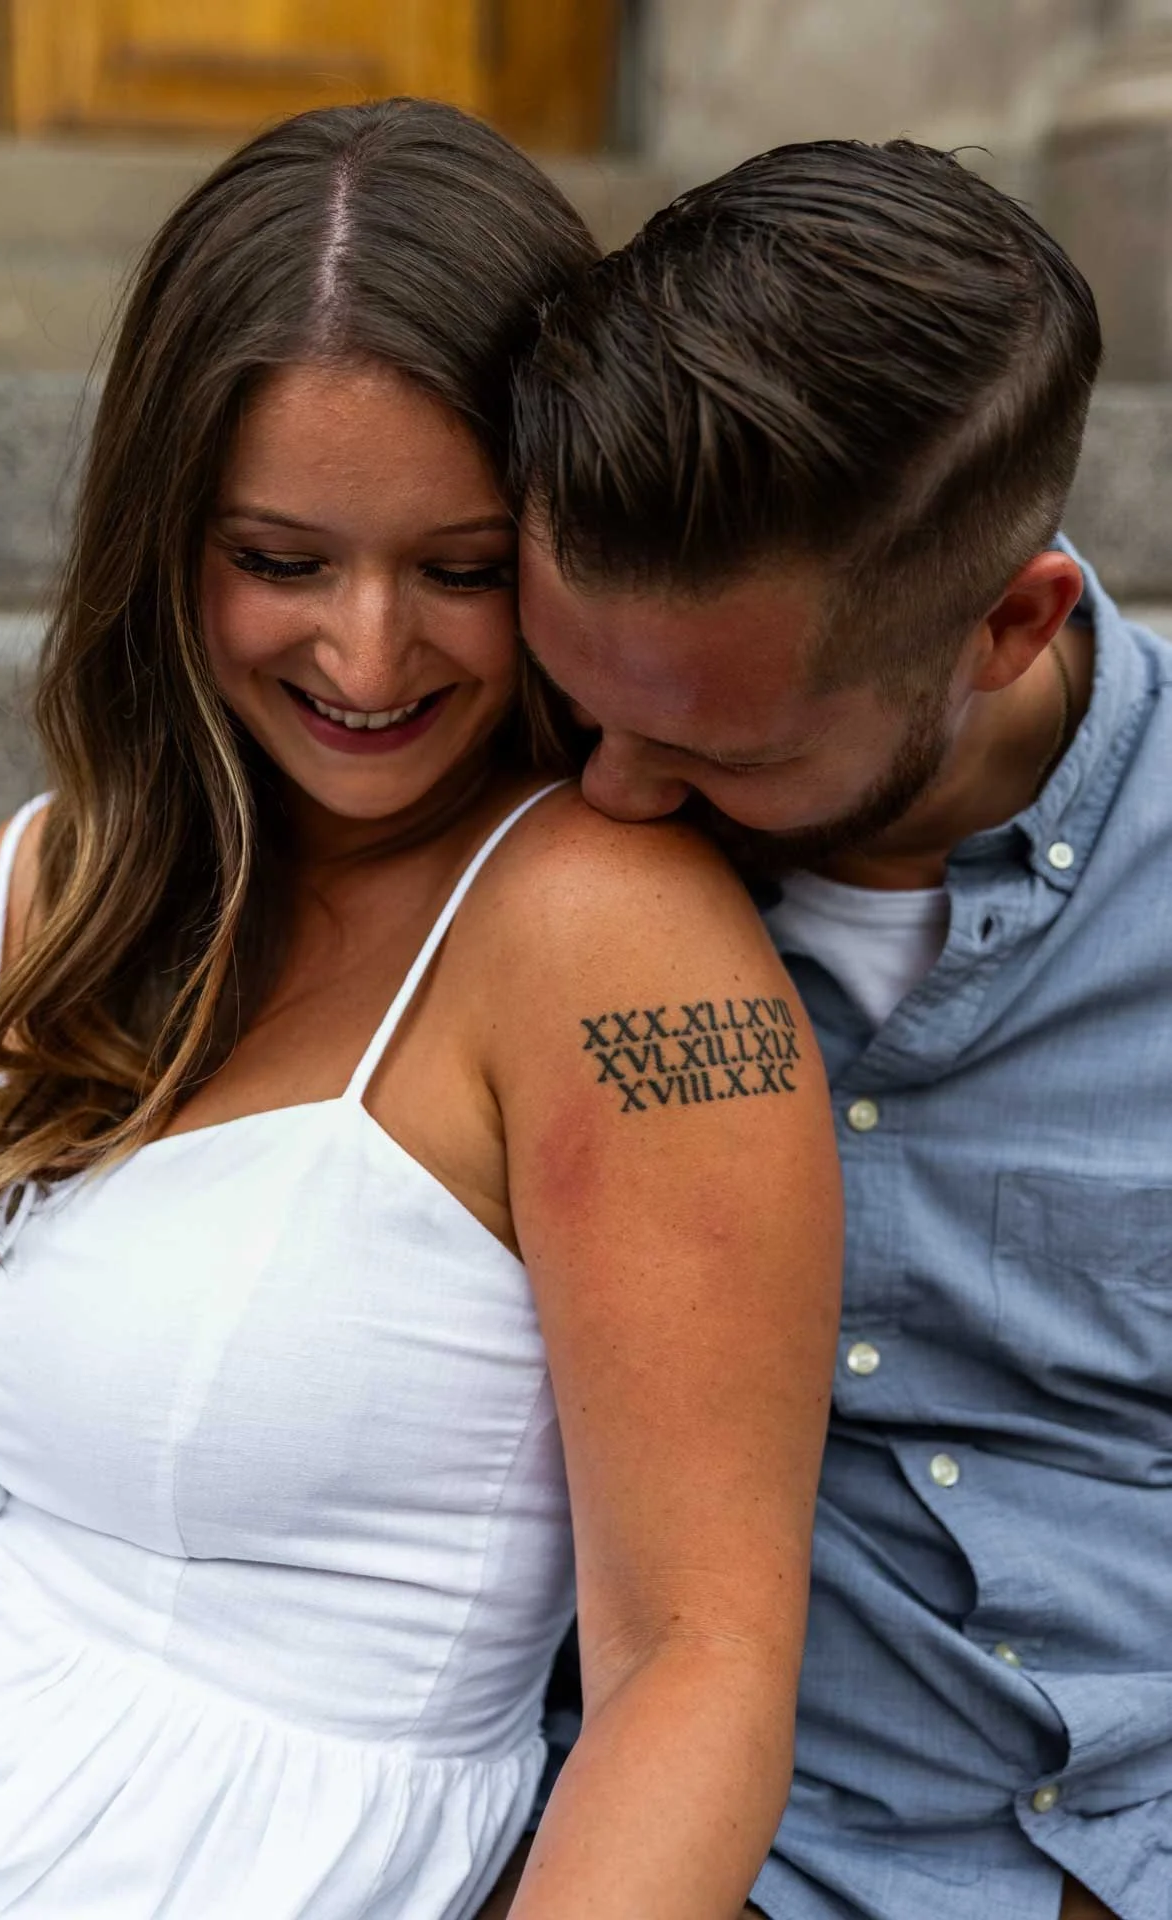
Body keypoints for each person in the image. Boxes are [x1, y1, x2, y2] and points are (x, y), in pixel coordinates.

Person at [0, 102, 842, 1919]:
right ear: (163, 541)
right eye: (282, 559)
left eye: (464, 569)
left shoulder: (601, 937)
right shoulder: (45, 877)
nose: (369, 653)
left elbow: (696, 1667)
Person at [510, 139, 1171, 1920]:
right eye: (579, 704)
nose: (617, 796)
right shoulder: (538, 842)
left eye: (723, 754)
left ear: (1005, 625)